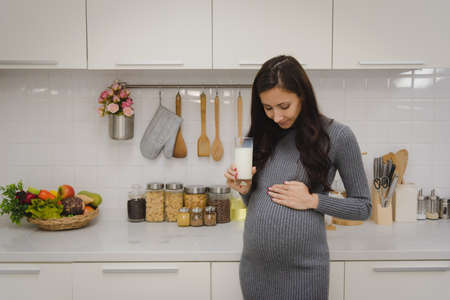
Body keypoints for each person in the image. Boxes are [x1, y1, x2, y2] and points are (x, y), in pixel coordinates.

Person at [224, 55, 371, 300]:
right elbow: (255, 203)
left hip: (305, 273)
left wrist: (313, 201)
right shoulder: (262, 136)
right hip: (255, 270)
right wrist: (245, 187)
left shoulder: (338, 136)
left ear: (302, 96)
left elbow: (363, 207)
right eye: (268, 108)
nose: (277, 117)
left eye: (284, 106)